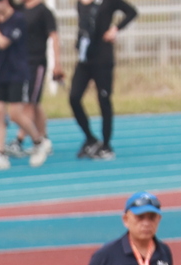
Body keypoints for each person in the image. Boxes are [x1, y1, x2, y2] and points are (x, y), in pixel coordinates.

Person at [69, 0, 133, 158]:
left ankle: (106, 144)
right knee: (74, 97)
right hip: (85, 60)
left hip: (103, 58)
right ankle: (90, 139)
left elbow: (131, 12)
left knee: (103, 100)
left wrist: (115, 29)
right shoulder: (80, 3)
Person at [0, 0, 38, 168]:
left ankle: (38, 141)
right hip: (1, 73)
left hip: (16, 73)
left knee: (15, 114)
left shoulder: (18, 19)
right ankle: (0, 154)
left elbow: (2, 43)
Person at [19, 0, 59, 159]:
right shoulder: (20, 8)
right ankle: (43, 137)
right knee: (34, 103)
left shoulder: (44, 11)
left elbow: (54, 37)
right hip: (21, 63)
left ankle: (20, 139)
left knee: (29, 103)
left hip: (36, 63)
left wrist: (57, 64)